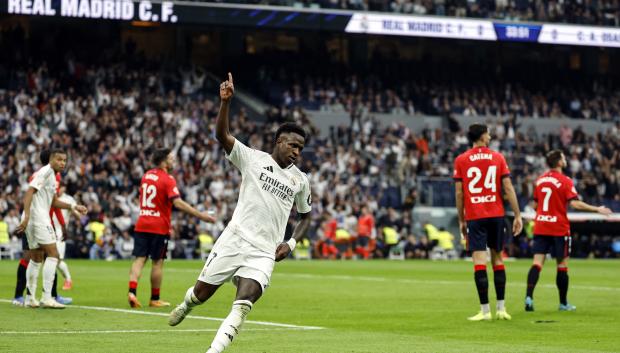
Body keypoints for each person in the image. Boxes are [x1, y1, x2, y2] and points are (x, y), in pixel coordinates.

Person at [168, 73, 312, 353]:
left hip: (264, 252)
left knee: (243, 305)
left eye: (301, 149)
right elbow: (222, 135)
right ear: (279, 141)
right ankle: (186, 304)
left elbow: (306, 216)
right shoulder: (252, 158)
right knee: (201, 295)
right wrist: (225, 104)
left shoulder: (301, 180)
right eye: (293, 145)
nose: (297, 152)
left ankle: (213, 351)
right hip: (234, 239)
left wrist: (291, 243)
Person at [127, 148, 216, 308]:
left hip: (142, 223)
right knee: (157, 263)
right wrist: (200, 215)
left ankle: (132, 292)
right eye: (170, 159)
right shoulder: (168, 179)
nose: (173, 161)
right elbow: (177, 202)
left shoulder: (146, 176)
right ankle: (155, 298)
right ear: (163, 161)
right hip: (158, 227)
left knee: (139, 260)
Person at [525, 150, 612, 311]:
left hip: (542, 225)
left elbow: (536, 203)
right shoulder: (565, 181)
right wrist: (596, 209)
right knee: (562, 265)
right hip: (558, 228)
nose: (565, 160)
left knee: (537, 263)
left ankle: (529, 298)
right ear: (559, 162)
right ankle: (563, 303)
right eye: (563, 158)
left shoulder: (540, 180)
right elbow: (575, 204)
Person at [453, 123, 523, 321]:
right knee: (498, 259)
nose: (490, 137)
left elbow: (459, 193)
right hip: (495, 214)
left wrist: (461, 219)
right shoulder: (498, 157)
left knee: (479, 262)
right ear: (482, 136)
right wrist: (517, 215)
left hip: (475, 215)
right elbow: (508, 189)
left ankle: (485, 312)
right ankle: (501, 309)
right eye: (489, 134)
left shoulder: (461, 160)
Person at [14, 148, 88, 309]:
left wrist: (74, 206)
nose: (63, 163)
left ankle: (30, 298)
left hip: (35, 218)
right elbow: (28, 193)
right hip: (38, 218)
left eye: (65, 160)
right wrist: (27, 216)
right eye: (59, 160)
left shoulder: (51, 175)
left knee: (36, 258)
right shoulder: (46, 172)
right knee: (53, 254)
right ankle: (47, 297)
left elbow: (54, 201)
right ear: (51, 160)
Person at [52, 186, 79, 291]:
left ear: (64, 188)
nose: (58, 188)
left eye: (60, 186)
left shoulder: (68, 199)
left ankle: (68, 279)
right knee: (49, 259)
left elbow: (79, 216)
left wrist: (72, 210)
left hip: (60, 232)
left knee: (57, 259)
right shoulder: (50, 195)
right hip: (47, 229)